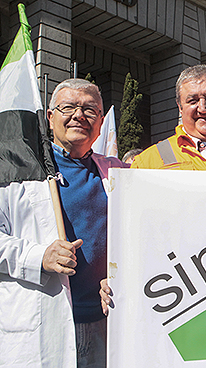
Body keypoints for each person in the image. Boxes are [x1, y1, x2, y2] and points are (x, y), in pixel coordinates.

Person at [0, 78, 126, 367]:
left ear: (101, 120)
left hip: (104, 323)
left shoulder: (118, 173)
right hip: (43, 324)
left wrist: (124, 276)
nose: (78, 116)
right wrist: (39, 256)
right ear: (49, 116)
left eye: (90, 110)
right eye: (68, 107)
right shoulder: (17, 172)